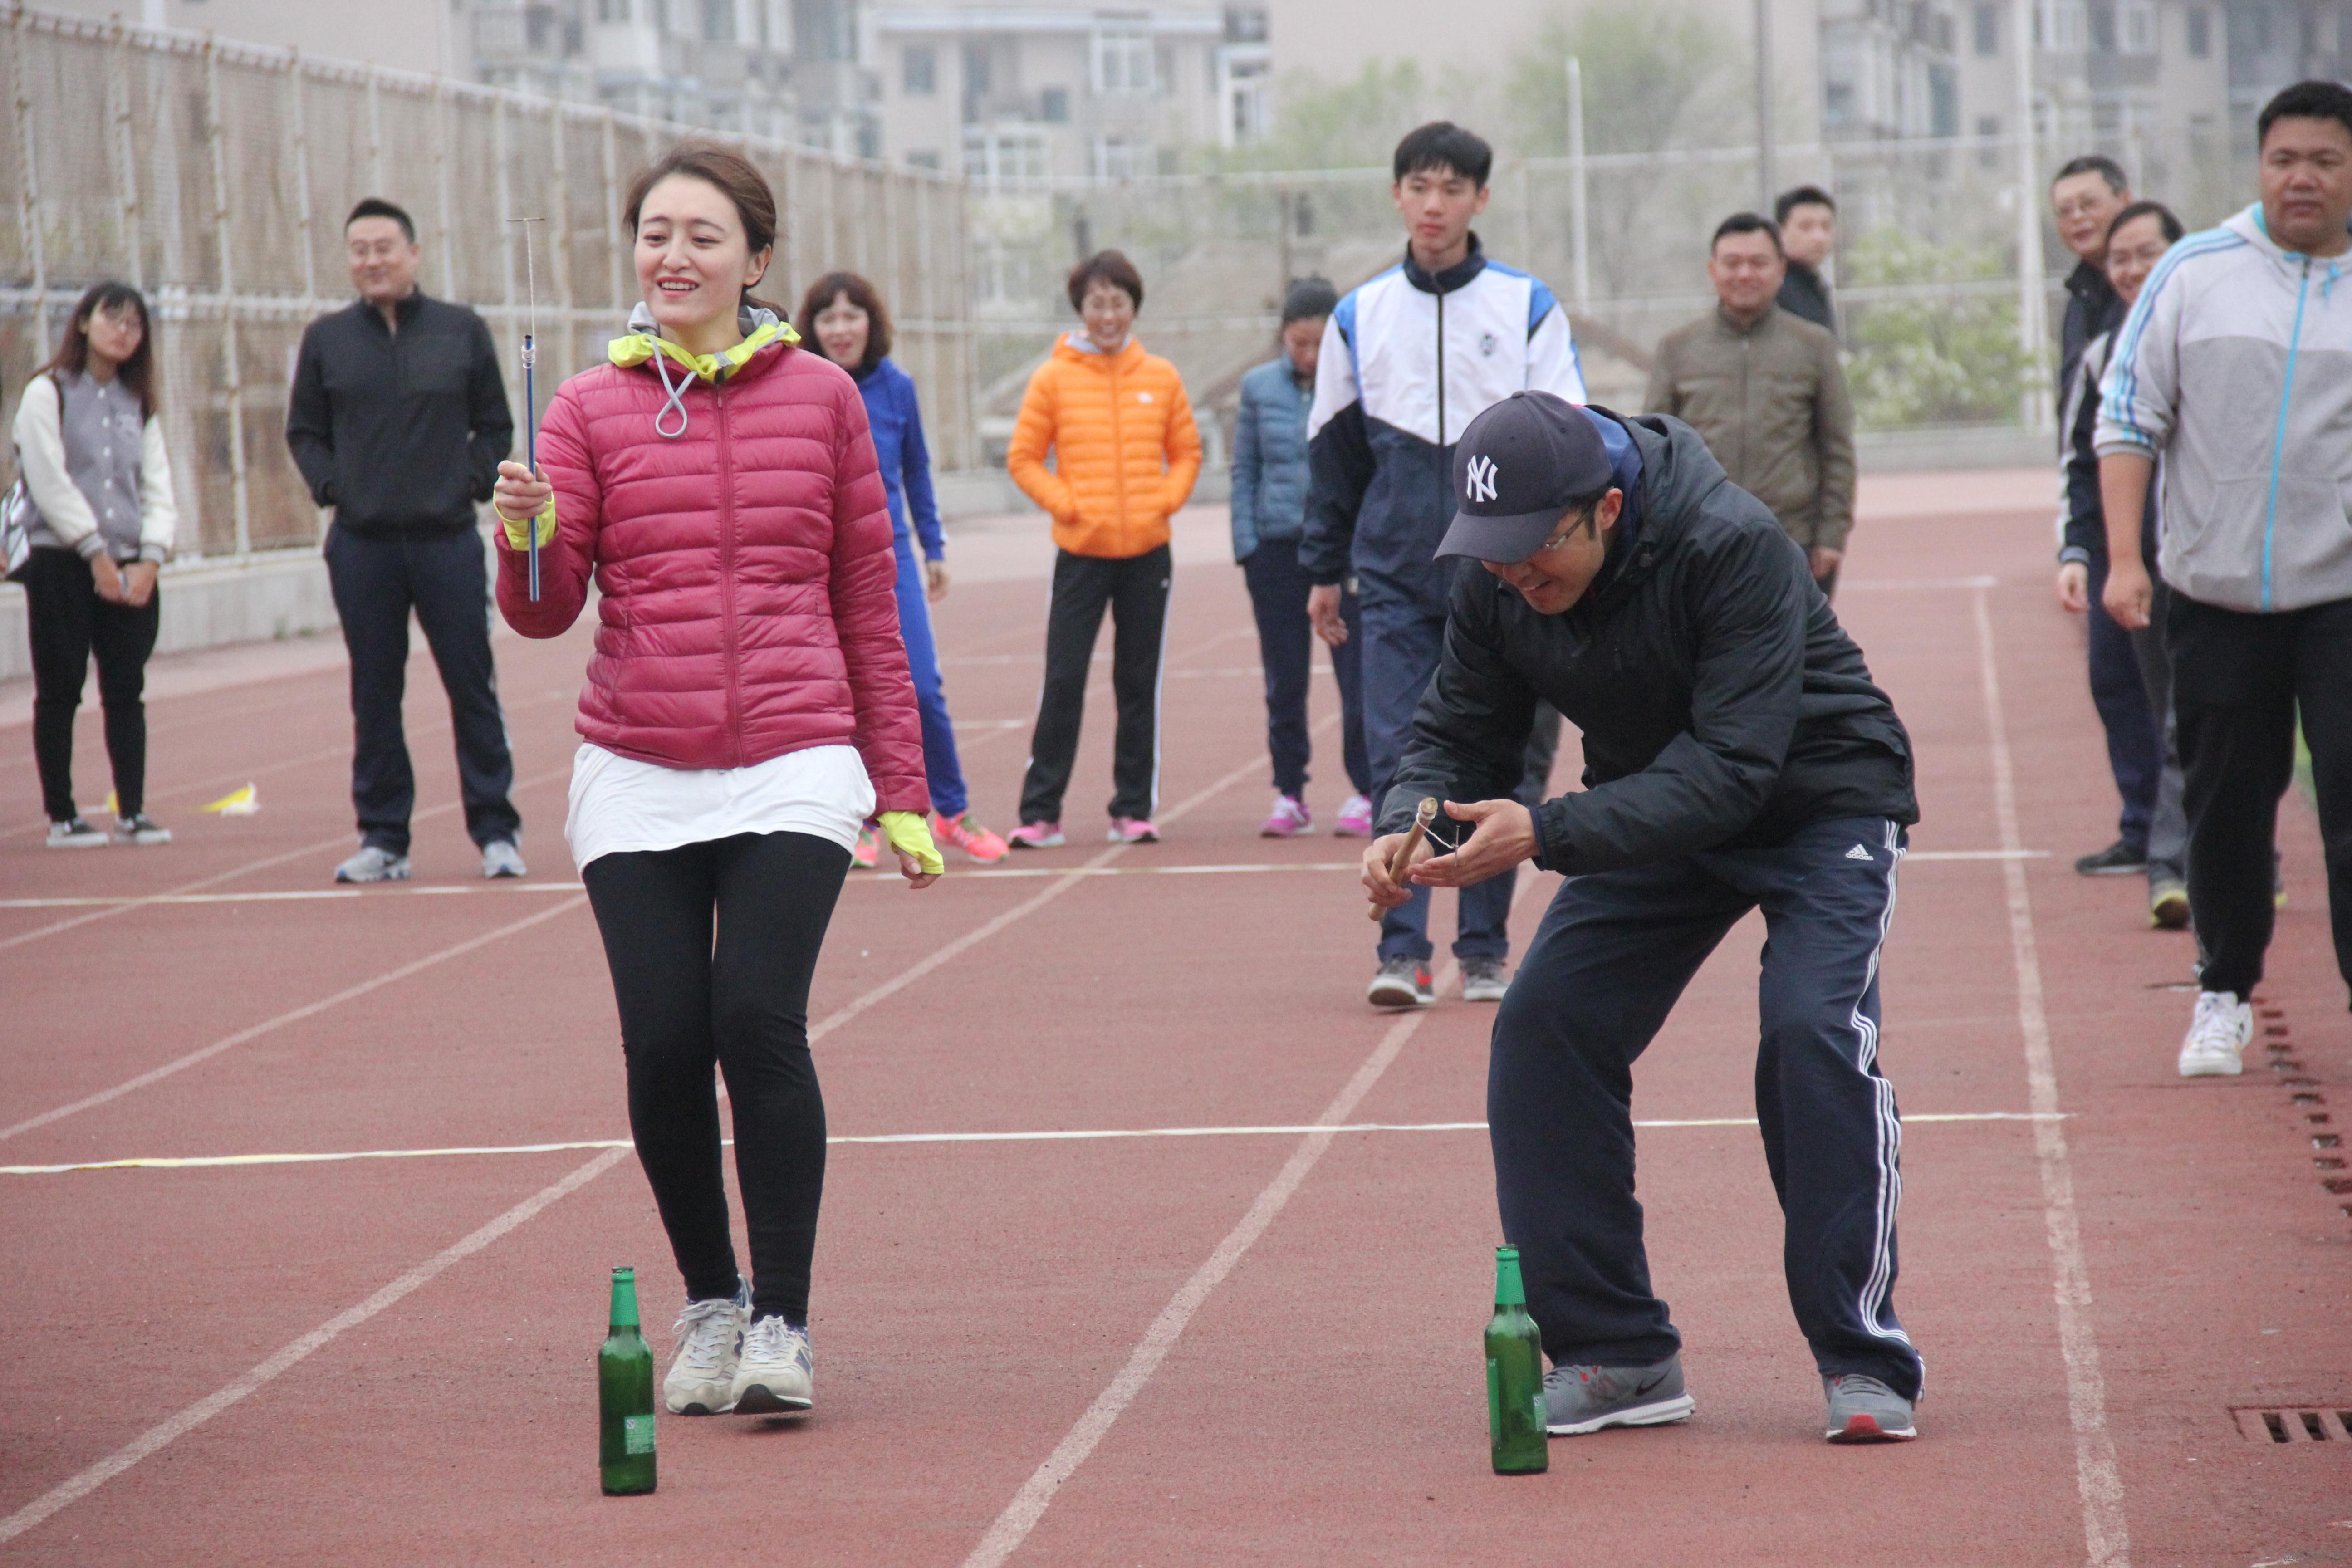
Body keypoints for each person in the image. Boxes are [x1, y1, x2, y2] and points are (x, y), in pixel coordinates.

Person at [1362, 389, 1924, 1444]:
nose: (1516, 580)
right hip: (1646, 801)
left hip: (1816, 799)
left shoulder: (1730, 543)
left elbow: (1732, 770)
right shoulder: (1497, 573)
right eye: (1494, 559)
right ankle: (1616, 1351)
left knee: (1808, 1033)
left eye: (1535, 555)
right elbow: (1456, 729)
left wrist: (1540, 830)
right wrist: (1407, 825)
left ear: (1606, 510)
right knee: (1542, 1026)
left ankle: (1861, 1353)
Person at [491, 142, 941, 1418]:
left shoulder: (824, 399)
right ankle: (711, 1303)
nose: (672, 256)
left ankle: (784, 1324)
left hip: (798, 754)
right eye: (653, 234)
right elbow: (542, 611)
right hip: (636, 763)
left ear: (755, 258)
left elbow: (869, 598)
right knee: (663, 1043)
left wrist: (899, 785)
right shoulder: (582, 408)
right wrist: (524, 535)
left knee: (755, 1019)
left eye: (700, 235)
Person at [2098, 81, 2352, 1078]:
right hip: (2213, 598)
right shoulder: (2195, 274)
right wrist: (2125, 559)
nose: (2303, 177)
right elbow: (2127, 418)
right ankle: (2223, 990)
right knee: (2228, 807)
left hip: (2341, 600)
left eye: (2326, 160)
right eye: (2286, 158)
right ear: (2259, 164)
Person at [1303, 120, 1585, 1009]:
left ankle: (1486, 945)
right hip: (1392, 581)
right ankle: (1401, 949)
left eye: (1452, 189)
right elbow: (1334, 458)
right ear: (1398, 196)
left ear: (1480, 201)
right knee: (1397, 757)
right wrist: (1322, 569)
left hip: (1506, 579)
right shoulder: (1360, 315)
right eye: (1419, 187)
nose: (1434, 205)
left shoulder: (1527, 305)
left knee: (1502, 761)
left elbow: (1569, 440)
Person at [288, 197, 525, 884]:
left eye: (385, 247)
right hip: (362, 546)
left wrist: (468, 485)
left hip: (447, 540)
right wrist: (335, 489)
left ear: (414, 254)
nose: (372, 260)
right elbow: (304, 432)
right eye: (359, 249)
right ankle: (385, 836)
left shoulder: (462, 331)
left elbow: (496, 426)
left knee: (471, 683)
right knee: (374, 690)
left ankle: (496, 831)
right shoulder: (328, 340)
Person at [799, 270, 1010, 866]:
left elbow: (916, 472)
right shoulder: (803, 388)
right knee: (836, 693)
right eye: (828, 318)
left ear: (873, 323)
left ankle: (952, 810)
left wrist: (935, 548)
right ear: (811, 329)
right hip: (822, 563)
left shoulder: (898, 389)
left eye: (852, 316)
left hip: (890, 559)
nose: (840, 330)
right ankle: (862, 818)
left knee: (920, 685)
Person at [1003, 249, 1202, 847]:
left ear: (1133, 308)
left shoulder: (1161, 377)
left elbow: (1189, 452)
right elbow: (1023, 458)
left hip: (1147, 553)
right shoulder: (1053, 377)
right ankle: (1041, 813)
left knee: (1137, 684)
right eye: (1097, 304)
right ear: (1081, 310)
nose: (1108, 315)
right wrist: (1069, 505)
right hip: (1081, 553)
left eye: (1118, 303)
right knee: (1064, 679)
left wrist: (1162, 502)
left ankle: (1132, 808)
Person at [2057, 201, 2189, 930]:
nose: (2132, 270)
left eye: (2146, 252)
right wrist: (2092, 553)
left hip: (2227, 560)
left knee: (2226, 718)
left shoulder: (2221, 334)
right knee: (2167, 710)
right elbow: (2081, 461)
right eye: (2120, 259)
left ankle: (2238, 860)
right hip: (2145, 561)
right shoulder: (2103, 355)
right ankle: (2171, 863)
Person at [12, 282, 176, 848]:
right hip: (62, 562)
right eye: (112, 318)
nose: (123, 332)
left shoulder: (140, 404)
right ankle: (62, 815)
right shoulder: (47, 393)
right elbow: (49, 481)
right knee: (60, 687)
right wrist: (94, 553)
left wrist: (150, 559)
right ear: (83, 322)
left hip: (131, 565)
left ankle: (131, 810)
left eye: (135, 324)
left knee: (126, 688)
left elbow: (157, 488)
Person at [1643, 213, 1856, 599]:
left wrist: (1831, 535)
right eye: (1732, 263)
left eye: (1758, 263)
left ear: (1780, 270)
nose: (1745, 274)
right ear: (1713, 270)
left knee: (1799, 658)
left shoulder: (1814, 346)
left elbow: (1837, 447)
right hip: (1703, 541)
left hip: (1794, 542)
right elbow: (1655, 450)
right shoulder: (1677, 348)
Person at [2047, 154, 2157, 881]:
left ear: (2126, 198)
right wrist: (2077, 546)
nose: (2078, 219)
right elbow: (2079, 441)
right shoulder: (2083, 301)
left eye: (2090, 203)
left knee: (2185, 693)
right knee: (2114, 679)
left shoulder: (2157, 299)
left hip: (2171, 531)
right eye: (2065, 210)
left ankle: (2203, 840)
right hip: (2106, 521)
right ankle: (2144, 824)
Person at [1231, 275, 1373, 838]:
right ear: (1283, 338)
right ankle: (1289, 792)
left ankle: (1366, 791)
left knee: (1357, 677)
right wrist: (1247, 545)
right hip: (1276, 551)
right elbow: (1245, 469)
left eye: (1318, 343)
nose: (1308, 355)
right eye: (1297, 342)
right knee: (1284, 680)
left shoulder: (1359, 386)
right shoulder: (1258, 388)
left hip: (1343, 551)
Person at [1773, 186, 1838, 335]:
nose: (1819, 238)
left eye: (1826, 227)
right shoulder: (1774, 288)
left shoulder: (1814, 284)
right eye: (1806, 227)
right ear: (1779, 232)